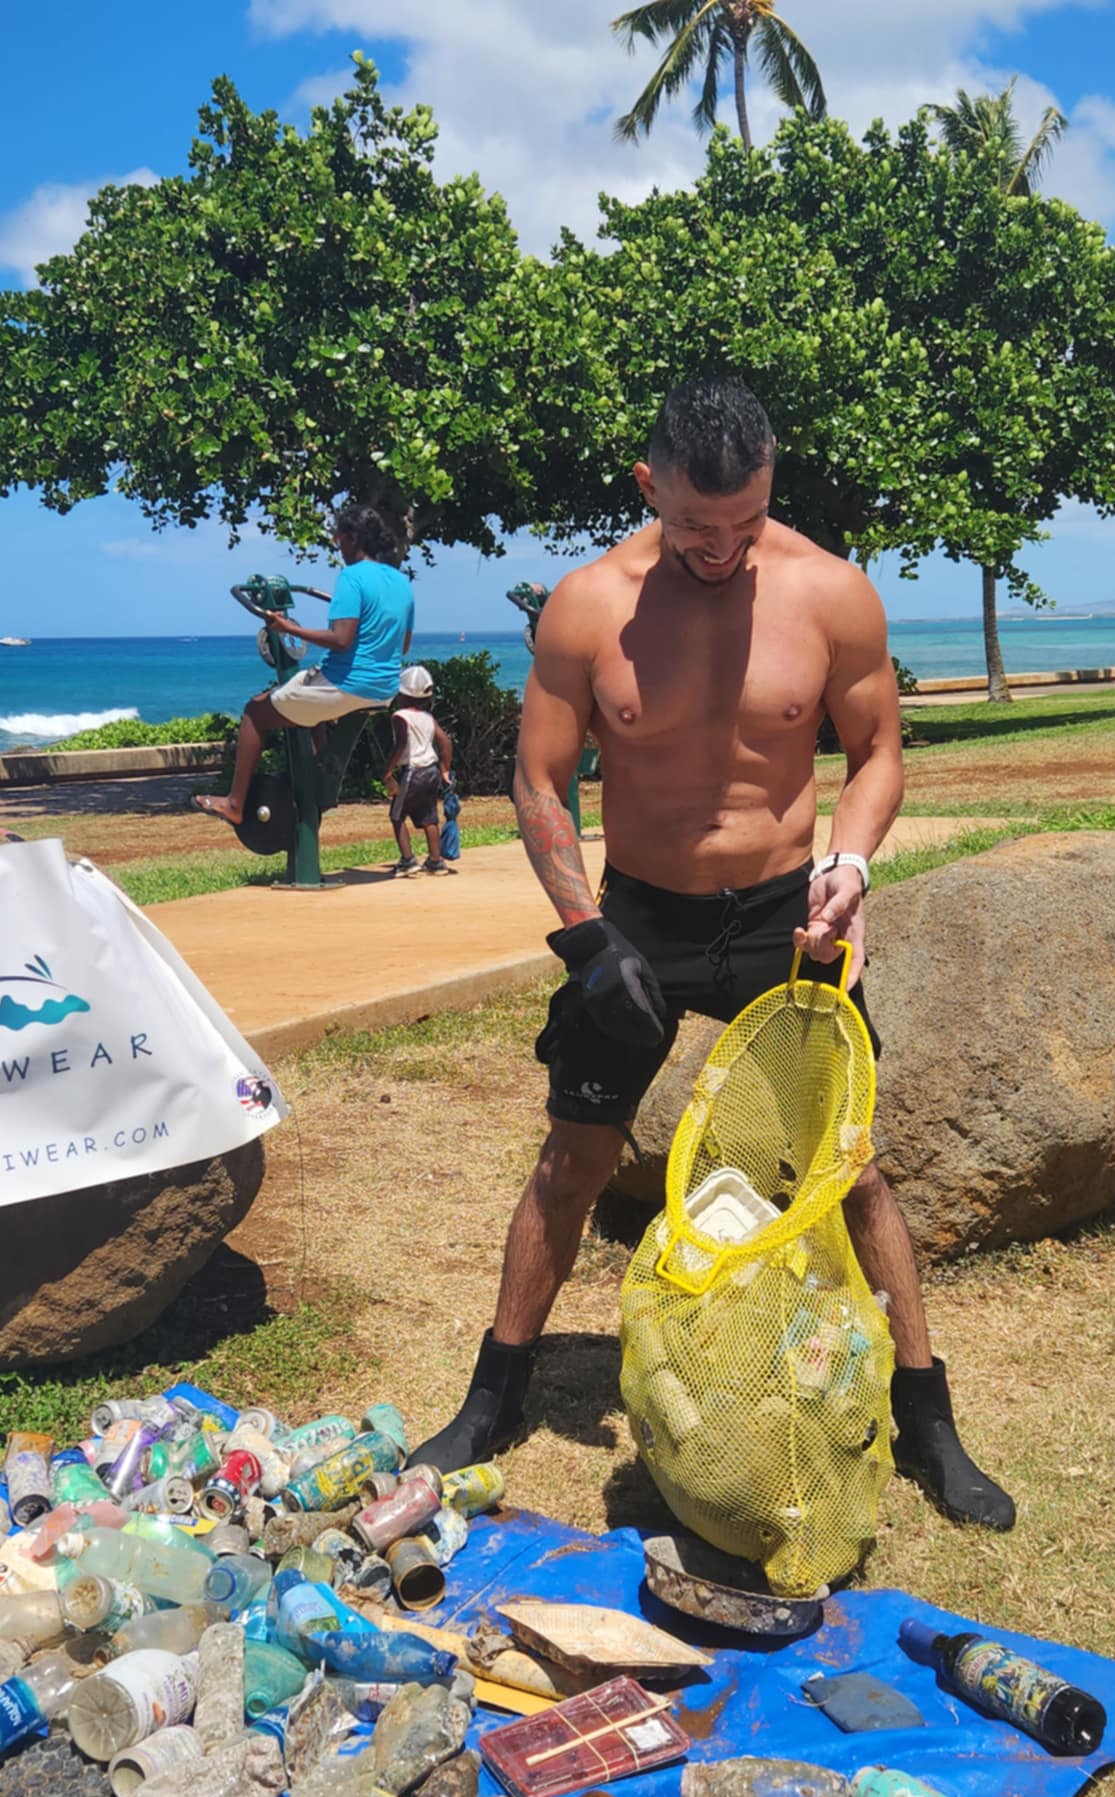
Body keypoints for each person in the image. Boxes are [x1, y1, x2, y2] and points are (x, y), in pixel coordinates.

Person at [407, 375, 1014, 1533]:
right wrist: (586, 936)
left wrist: (853, 860)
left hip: (790, 912)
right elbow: (538, 778)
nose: (725, 550)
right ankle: (495, 1395)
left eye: (746, 524)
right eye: (696, 529)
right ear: (648, 487)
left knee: (853, 1167)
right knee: (572, 1161)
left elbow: (878, 749)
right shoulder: (588, 606)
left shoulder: (830, 592)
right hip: (636, 915)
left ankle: (928, 1414)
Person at [195, 504, 414, 826]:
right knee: (306, 706)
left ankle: (235, 803)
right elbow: (403, 644)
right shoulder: (399, 581)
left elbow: (341, 639)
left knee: (255, 712)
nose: (337, 544)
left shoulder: (352, 578)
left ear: (352, 538)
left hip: (346, 685)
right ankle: (320, 786)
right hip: (383, 689)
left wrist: (288, 629)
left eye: (338, 537)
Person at [383, 666, 455, 877]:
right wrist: (445, 769)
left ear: (402, 694)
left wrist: (387, 770)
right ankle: (435, 861)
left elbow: (401, 743)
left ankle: (407, 860)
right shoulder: (427, 717)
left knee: (397, 816)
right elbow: (446, 743)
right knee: (429, 817)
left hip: (412, 771)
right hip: (431, 771)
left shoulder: (400, 716)